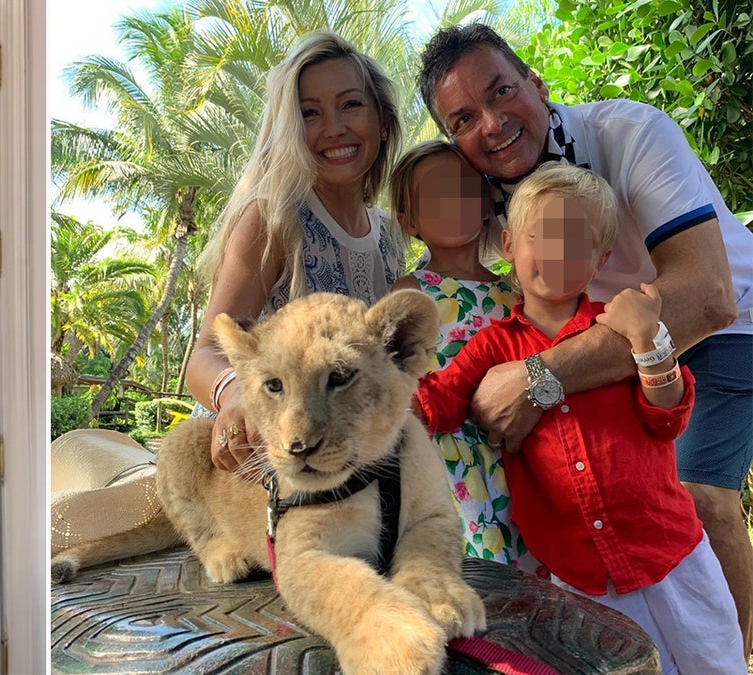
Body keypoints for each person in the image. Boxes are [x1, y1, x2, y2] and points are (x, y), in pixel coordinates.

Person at [418, 23, 753, 653]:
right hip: (601, 339)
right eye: (463, 119)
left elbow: (708, 295)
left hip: (726, 322)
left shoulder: (629, 133)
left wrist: (540, 379)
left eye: (502, 92)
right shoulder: (494, 213)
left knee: (700, 499)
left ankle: (730, 653)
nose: (491, 124)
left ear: (537, 85)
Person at [185, 31, 406, 472]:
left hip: (343, 465)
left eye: (350, 104)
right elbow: (204, 355)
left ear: (382, 121)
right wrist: (234, 397)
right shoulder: (274, 220)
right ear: (289, 128)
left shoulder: (391, 233)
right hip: (254, 460)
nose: (334, 128)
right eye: (310, 113)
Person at [389, 140, 539, 575]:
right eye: (434, 194)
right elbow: (397, 386)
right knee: (476, 577)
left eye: (463, 188)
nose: (452, 202)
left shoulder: (515, 291)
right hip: (452, 463)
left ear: (488, 202)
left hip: (520, 454)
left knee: (536, 577)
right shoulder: (411, 291)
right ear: (409, 219)